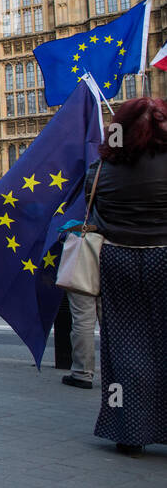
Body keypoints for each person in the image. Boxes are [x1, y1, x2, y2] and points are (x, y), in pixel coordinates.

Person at [89, 96, 167, 456]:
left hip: (117, 257)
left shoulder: (101, 169)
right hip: (163, 256)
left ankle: (130, 430)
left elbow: (95, 211)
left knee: (125, 344)